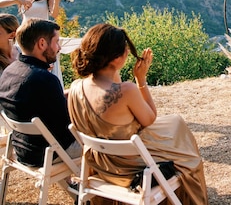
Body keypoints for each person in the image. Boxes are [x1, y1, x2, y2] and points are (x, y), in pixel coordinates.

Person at [67, 23, 208, 204]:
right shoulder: (126, 91)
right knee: (188, 154)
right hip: (128, 167)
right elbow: (149, 118)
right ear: (116, 58)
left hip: (101, 165)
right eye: (125, 49)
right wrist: (141, 80)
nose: (127, 52)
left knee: (174, 122)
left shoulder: (76, 87)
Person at [0, 18, 81, 167]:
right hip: (50, 152)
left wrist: (76, 92)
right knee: (105, 138)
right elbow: (68, 125)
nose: (59, 48)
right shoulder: (44, 79)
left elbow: (41, 102)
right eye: (57, 42)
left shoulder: (9, 72)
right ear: (42, 43)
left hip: (24, 149)